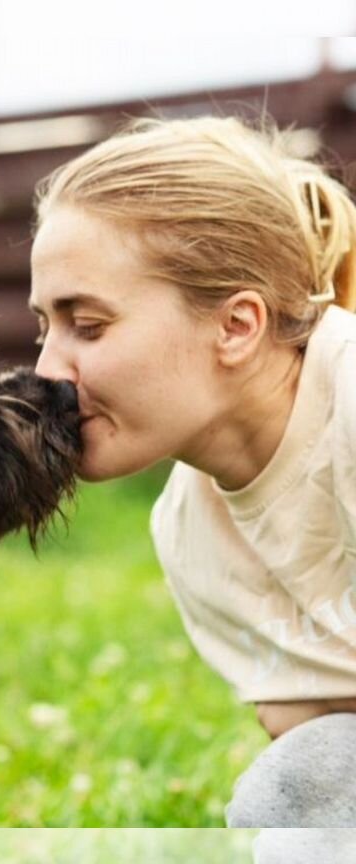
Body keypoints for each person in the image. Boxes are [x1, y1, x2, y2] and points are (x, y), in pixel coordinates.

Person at [28, 114, 356, 832]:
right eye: (43, 327)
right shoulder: (187, 533)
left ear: (237, 326)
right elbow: (313, 745)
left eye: (87, 324)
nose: (47, 371)